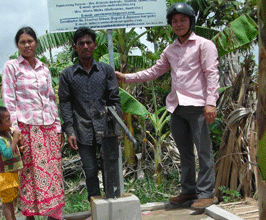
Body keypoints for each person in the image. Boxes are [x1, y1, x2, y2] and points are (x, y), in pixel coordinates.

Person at [115, 2, 220, 210]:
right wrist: (126, 77)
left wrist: (211, 103)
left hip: (199, 106)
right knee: (185, 153)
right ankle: (189, 190)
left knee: (204, 152)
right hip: (177, 108)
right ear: (170, 24)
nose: (178, 24)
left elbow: (212, 74)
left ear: (191, 21)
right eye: (174, 21)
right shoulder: (170, 50)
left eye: (183, 20)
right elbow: (154, 71)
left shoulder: (204, 44)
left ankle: (207, 193)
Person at [1, 26, 65, 220]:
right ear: (17, 45)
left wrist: (58, 126)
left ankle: (53, 216)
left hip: (48, 128)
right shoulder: (12, 66)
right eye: (22, 42)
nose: (27, 45)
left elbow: (50, 98)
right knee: (29, 174)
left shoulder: (43, 68)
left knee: (52, 174)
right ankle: (30, 216)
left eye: (30, 41)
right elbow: (9, 99)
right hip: (27, 129)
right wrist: (15, 131)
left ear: (36, 43)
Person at [59, 27, 121, 202]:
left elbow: (114, 100)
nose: (85, 46)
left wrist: (116, 128)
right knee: (90, 170)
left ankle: (112, 203)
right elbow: (65, 103)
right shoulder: (67, 74)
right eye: (81, 43)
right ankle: (95, 206)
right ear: (75, 47)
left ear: (94, 45)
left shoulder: (106, 71)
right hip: (81, 129)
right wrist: (69, 131)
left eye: (88, 42)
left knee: (109, 166)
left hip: (106, 129)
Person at [0, 105, 24, 220]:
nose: (11, 122)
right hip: (6, 176)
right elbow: (7, 154)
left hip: (15, 174)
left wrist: (20, 148)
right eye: (7, 120)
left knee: (13, 200)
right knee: (8, 202)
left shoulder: (7, 135)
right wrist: (15, 139)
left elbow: (13, 151)